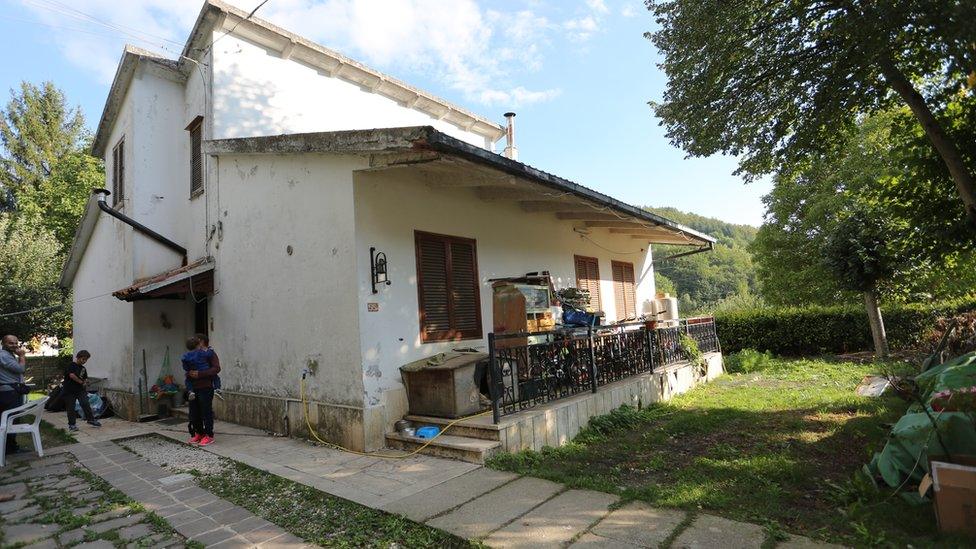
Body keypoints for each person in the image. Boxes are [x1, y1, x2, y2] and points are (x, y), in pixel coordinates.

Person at [183, 335, 220, 446]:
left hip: (206, 387)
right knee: (194, 413)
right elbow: (187, 368)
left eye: (198, 341)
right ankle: (199, 433)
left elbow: (216, 369)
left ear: (202, 342)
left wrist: (200, 374)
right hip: (193, 388)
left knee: (206, 412)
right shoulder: (192, 355)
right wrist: (189, 373)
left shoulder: (210, 353)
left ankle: (209, 435)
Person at [0, 335, 26, 456]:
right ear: (3, 343)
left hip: (10, 391)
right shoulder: (4, 355)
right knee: (11, 420)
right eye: (11, 343)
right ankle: (9, 448)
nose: (15, 345)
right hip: (9, 392)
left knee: (10, 419)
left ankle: (9, 447)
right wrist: (22, 356)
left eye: (16, 343)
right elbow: (20, 369)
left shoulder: (8, 355)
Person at [64, 350, 101, 431]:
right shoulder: (71, 365)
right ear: (78, 357)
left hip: (80, 390)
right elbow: (72, 375)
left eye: (86, 360)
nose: (84, 361)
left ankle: (91, 420)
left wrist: (86, 382)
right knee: (71, 407)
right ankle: (72, 425)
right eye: (83, 359)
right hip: (69, 390)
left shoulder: (83, 369)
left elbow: (85, 378)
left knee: (85, 403)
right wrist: (81, 382)